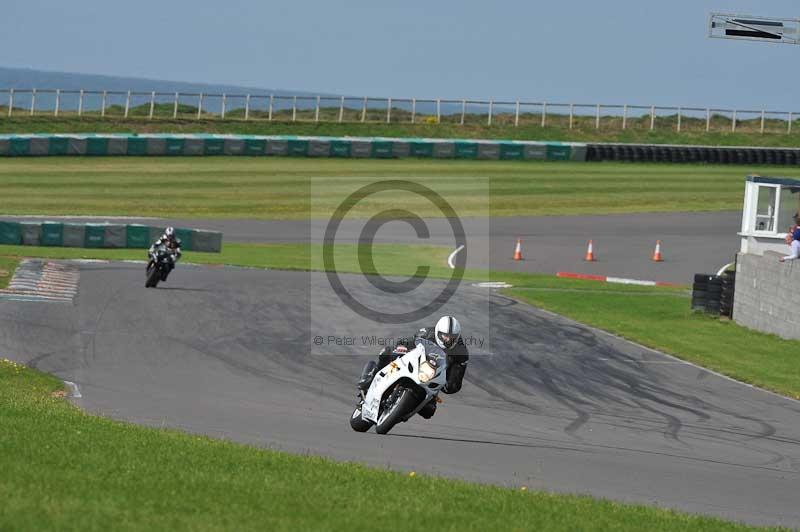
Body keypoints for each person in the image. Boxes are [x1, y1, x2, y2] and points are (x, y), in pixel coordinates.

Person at [358, 316, 469, 418]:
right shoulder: (426, 332)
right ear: (437, 332)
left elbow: (457, 379)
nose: (447, 340)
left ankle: (402, 410)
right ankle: (370, 377)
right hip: (416, 366)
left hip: (432, 379)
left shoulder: (461, 352)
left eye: (451, 338)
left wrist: (450, 385)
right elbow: (408, 342)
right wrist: (400, 348)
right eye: (444, 336)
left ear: (457, 337)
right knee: (386, 352)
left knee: (429, 412)